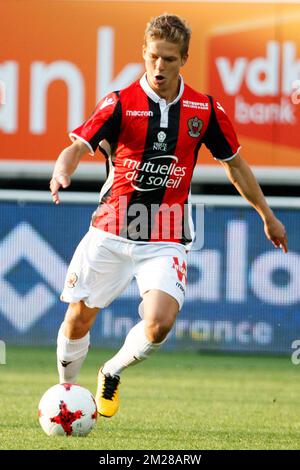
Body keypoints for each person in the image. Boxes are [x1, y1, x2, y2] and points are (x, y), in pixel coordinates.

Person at [50, 14, 288, 418]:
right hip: (111, 230)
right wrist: (63, 169)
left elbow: (235, 164)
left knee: (159, 323)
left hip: (166, 234)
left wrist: (267, 214)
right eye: (155, 57)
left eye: (170, 59)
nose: (160, 67)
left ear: (185, 59)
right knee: (78, 318)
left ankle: (112, 370)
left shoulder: (204, 109)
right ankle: (64, 395)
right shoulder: (119, 102)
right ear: (144, 52)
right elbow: (77, 145)